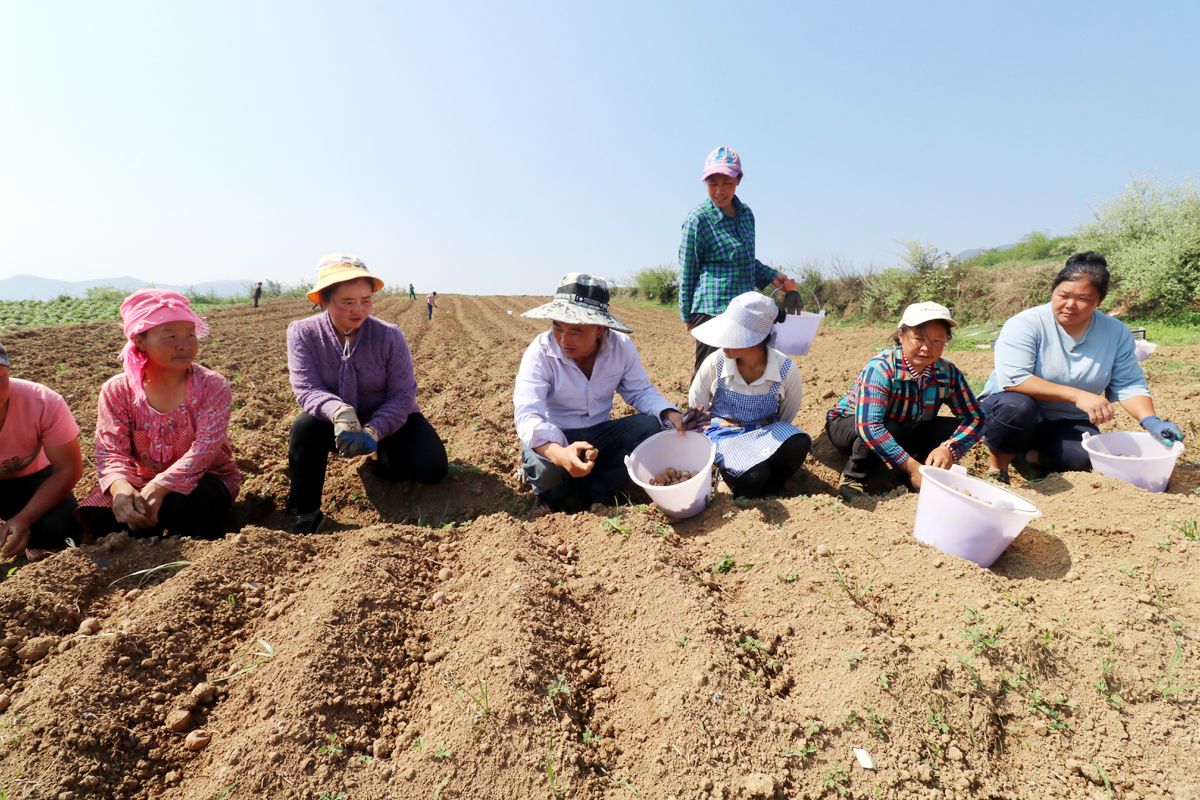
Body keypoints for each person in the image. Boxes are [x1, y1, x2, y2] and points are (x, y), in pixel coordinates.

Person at [979, 252, 1183, 482]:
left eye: (1083, 298)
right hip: (1012, 409)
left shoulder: (1115, 332)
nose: (1070, 305)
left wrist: (1150, 421)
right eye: (1062, 295)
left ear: (1099, 301)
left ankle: (1029, 457)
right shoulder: (1026, 324)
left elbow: (1129, 384)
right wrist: (1077, 395)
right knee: (1017, 408)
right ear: (1053, 292)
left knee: (1083, 459)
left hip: (1067, 418)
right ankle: (997, 467)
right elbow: (1014, 379)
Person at [287, 254, 447, 533]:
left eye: (366, 300)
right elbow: (306, 387)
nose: (358, 310)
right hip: (333, 421)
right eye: (347, 302)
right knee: (304, 428)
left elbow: (402, 395)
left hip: (388, 417)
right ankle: (306, 511)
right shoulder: (304, 333)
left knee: (432, 467)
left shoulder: (388, 335)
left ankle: (383, 462)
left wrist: (374, 430)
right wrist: (338, 411)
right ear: (323, 300)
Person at [515, 273, 685, 512]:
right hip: (556, 436)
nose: (564, 339)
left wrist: (668, 412)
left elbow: (640, 391)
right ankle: (550, 497)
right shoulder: (540, 352)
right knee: (546, 468)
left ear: (599, 329)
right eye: (557, 327)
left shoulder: (621, 347)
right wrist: (559, 453)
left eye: (575, 330)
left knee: (649, 427)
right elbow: (528, 414)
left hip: (599, 435)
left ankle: (595, 494)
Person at [77, 290, 240, 538]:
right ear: (140, 341)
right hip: (141, 481)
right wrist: (121, 488)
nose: (184, 344)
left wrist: (161, 486)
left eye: (190, 334)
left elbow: (205, 450)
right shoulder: (118, 390)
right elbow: (111, 450)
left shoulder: (211, 385)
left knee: (182, 506)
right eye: (170, 336)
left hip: (202, 478)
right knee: (99, 516)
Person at [826, 302, 985, 502]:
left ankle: (924, 475)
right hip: (849, 424)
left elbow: (976, 418)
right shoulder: (882, 368)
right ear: (901, 336)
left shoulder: (948, 373)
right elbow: (868, 426)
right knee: (888, 425)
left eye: (937, 340)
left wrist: (949, 448)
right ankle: (853, 479)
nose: (927, 348)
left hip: (907, 424)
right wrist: (911, 467)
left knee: (951, 429)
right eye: (918, 339)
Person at [678, 145, 795, 375]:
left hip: (744, 311)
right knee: (708, 374)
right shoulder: (698, 219)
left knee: (742, 374)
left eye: (727, 183)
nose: (719, 191)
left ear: (738, 181)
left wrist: (774, 277)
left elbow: (747, 261)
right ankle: (697, 412)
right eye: (713, 184)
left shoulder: (746, 215)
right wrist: (687, 315)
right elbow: (687, 270)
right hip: (713, 309)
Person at [688, 292, 811, 497]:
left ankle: (775, 487)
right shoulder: (716, 363)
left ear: (757, 339)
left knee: (798, 443)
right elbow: (697, 407)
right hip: (725, 433)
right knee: (754, 476)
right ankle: (732, 477)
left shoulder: (785, 369)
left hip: (766, 431)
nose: (724, 342)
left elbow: (786, 416)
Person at [0, 341, 84, 559]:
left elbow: (67, 468)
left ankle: (32, 539)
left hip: (33, 480)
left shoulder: (43, 402)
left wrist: (25, 518)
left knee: (60, 527)